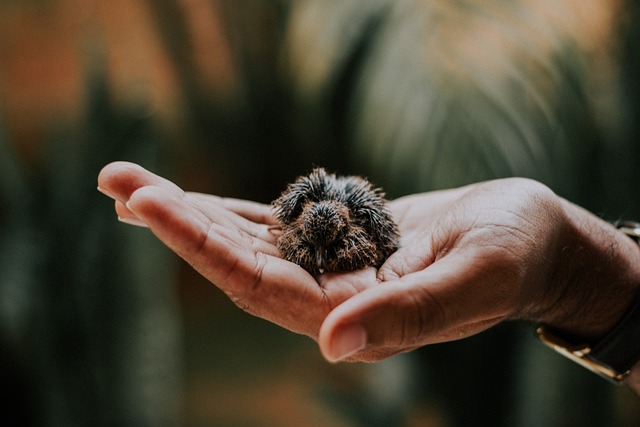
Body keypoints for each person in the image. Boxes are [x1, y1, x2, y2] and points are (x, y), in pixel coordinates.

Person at [97, 161, 640, 395]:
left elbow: (375, 241)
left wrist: (567, 269)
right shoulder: (307, 212)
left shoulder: (362, 230)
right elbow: (297, 221)